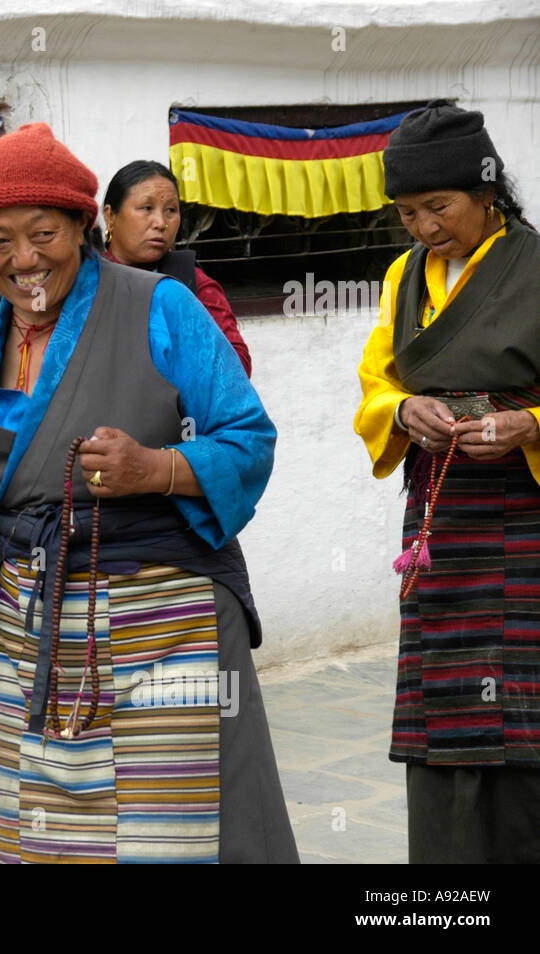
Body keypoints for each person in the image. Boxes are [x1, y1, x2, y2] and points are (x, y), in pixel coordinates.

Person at [0, 123, 297, 863]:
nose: (24, 260)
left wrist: (156, 468)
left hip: (163, 621)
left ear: (84, 225)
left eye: (43, 232)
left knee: (174, 837)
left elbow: (248, 438)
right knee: (50, 838)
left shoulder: (159, 306)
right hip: (34, 626)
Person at [354, 102, 540, 863]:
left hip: (524, 514)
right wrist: (404, 408)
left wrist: (532, 423)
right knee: (445, 701)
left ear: (486, 192)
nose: (425, 227)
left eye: (440, 206)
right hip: (440, 518)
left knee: (523, 703)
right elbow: (373, 383)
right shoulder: (404, 278)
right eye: (408, 212)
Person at [101, 160, 252, 376]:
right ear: (110, 216)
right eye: (147, 208)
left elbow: (237, 366)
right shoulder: (85, 280)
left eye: (171, 210)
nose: (161, 222)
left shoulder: (189, 280)